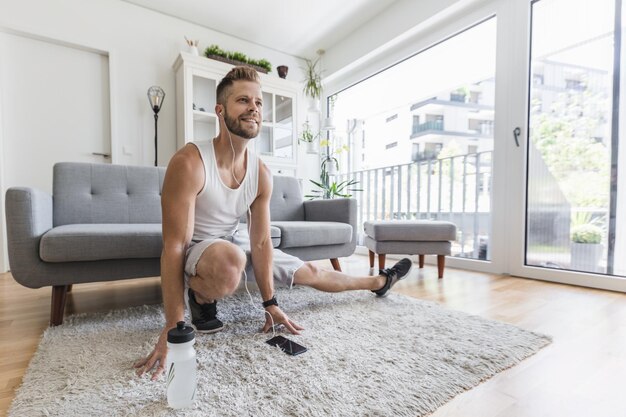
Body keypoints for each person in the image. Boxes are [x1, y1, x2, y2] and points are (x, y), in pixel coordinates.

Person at [135, 66, 412, 380]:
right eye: (243, 100)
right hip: (200, 248)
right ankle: (201, 299)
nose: (254, 107)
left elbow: (262, 241)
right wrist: (174, 326)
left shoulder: (261, 173)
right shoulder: (189, 162)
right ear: (220, 110)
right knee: (231, 261)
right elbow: (174, 245)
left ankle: (379, 282)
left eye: (258, 102)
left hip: (231, 239)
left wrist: (271, 303)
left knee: (310, 270)